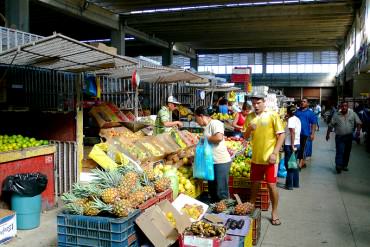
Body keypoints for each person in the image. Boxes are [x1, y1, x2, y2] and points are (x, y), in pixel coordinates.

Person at [244, 93, 285, 226]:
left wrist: (274, 153)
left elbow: (281, 135)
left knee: (271, 185)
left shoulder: (272, 115)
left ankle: (275, 212)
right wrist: (249, 128)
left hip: (270, 160)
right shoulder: (249, 117)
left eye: (258, 103)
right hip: (256, 158)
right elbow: (245, 136)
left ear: (264, 102)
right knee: (254, 185)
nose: (256, 105)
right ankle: (251, 207)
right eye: (254, 103)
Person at [194, 106, 232, 202]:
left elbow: (219, 138)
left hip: (220, 162)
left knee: (221, 192)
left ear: (201, 116)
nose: (196, 122)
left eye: (196, 118)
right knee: (213, 192)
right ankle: (215, 214)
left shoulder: (215, 123)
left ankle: (225, 214)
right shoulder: (207, 127)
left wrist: (204, 139)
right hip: (211, 163)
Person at [326, 102, 362, 173]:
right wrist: (327, 134)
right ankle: (338, 166)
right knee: (340, 151)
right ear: (340, 107)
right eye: (342, 106)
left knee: (347, 152)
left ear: (347, 107)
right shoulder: (336, 115)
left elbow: (359, 123)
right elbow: (331, 125)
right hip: (340, 137)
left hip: (349, 136)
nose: (344, 107)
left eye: (345, 106)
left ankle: (344, 165)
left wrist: (358, 131)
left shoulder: (353, 114)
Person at [295, 98, 317, 169]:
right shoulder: (297, 112)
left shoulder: (310, 113)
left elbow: (314, 124)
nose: (302, 103)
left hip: (306, 134)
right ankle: (303, 162)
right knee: (298, 149)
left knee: (304, 149)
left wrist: (312, 134)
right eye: (301, 101)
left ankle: (300, 163)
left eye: (304, 102)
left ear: (307, 104)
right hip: (297, 134)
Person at [284, 105, 301, 190]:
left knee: (289, 165)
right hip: (297, 143)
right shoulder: (297, 119)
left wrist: (292, 145)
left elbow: (292, 132)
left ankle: (289, 185)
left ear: (288, 112)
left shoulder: (291, 120)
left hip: (290, 145)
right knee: (294, 164)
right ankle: (295, 183)